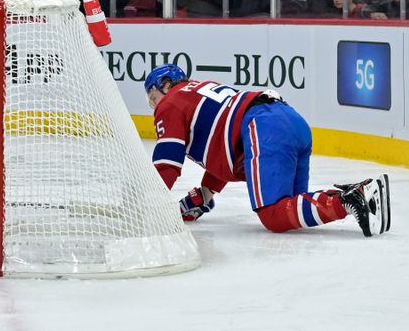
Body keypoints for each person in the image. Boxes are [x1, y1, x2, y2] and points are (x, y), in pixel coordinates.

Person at [144, 64, 392, 237]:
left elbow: (168, 164)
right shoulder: (197, 92)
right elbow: (223, 144)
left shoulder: (170, 103)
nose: (152, 105)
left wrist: (145, 209)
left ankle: (351, 199)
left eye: (152, 96)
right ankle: (356, 197)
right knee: (289, 211)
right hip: (291, 121)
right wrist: (204, 196)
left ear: (165, 85)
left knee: (273, 215)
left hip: (263, 125)